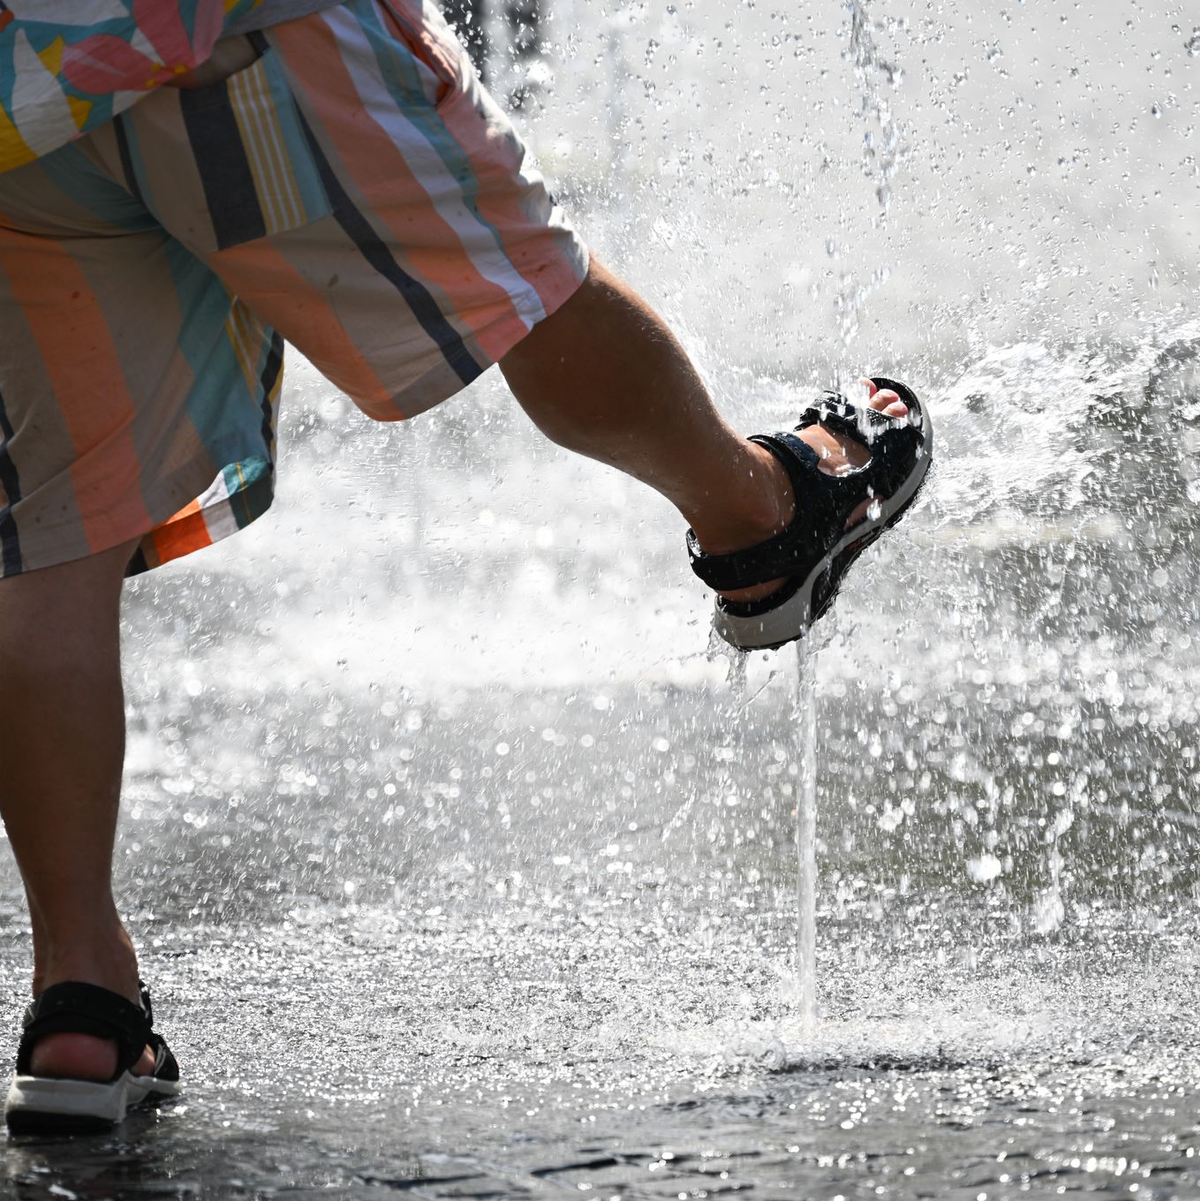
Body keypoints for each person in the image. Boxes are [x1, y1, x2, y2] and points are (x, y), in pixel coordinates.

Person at [0, 0, 930, 1132]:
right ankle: (763, 519)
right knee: (521, 287)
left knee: (56, 536)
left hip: (25, 94)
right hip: (221, 30)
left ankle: (80, 1000)